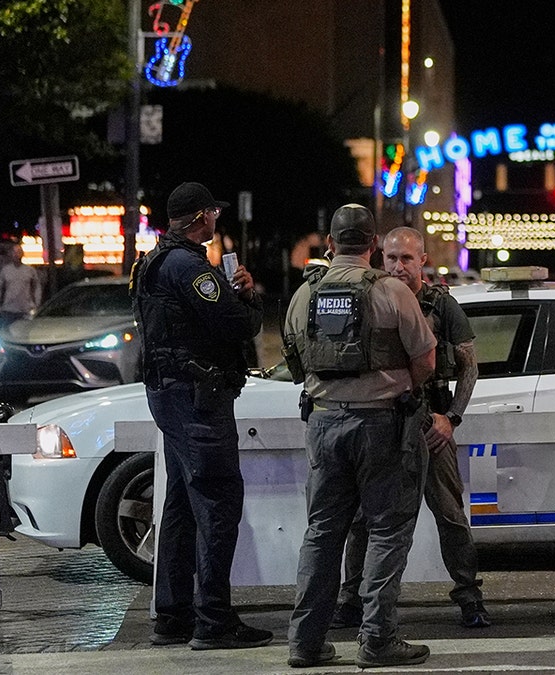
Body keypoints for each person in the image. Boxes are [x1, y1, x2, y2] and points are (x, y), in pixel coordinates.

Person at [283, 205, 436, 669]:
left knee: (323, 533)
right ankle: (377, 640)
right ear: (372, 246)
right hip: (381, 427)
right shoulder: (392, 291)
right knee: (387, 531)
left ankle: (305, 643)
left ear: (329, 245)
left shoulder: (303, 295)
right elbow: (426, 361)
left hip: (324, 424)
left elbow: (294, 360)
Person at [131, 181, 272, 650]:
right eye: (213, 212)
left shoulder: (151, 261)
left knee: (180, 503)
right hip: (197, 398)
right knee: (218, 502)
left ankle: (172, 616)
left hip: (171, 394)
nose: (217, 219)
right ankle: (214, 621)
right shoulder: (191, 266)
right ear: (200, 218)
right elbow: (236, 324)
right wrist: (249, 298)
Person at [332, 226, 489, 633]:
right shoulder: (372, 296)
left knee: (451, 516)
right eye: (391, 258)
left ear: (422, 260)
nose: (398, 266)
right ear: (379, 257)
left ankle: (469, 596)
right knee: (365, 519)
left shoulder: (441, 304)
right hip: (383, 424)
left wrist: (450, 418)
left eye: (406, 258)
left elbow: (469, 365)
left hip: (431, 425)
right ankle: (352, 600)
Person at [0, 242, 41, 324]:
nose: (16, 254)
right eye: (14, 252)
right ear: (11, 254)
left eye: (18, 252)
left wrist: (37, 303)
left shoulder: (30, 270)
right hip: (8, 310)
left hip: (26, 310)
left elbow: (37, 287)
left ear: (22, 254)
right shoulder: (5, 270)